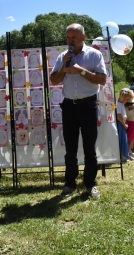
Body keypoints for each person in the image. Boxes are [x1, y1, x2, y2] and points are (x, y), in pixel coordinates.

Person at [50, 23, 106, 198]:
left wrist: (81, 71)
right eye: (68, 37)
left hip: (88, 106)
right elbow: (53, 80)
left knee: (89, 148)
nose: (70, 40)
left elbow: (102, 79)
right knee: (70, 149)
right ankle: (69, 184)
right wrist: (63, 68)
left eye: (73, 37)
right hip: (69, 107)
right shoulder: (63, 56)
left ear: (83, 37)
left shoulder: (95, 54)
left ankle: (90, 184)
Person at [116, 89, 134, 162]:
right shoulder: (117, 104)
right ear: (122, 96)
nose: (127, 101)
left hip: (123, 123)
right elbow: (119, 116)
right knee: (122, 139)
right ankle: (123, 155)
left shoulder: (121, 104)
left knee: (125, 139)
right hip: (120, 124)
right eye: (127, 99)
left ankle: (126, 154)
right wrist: (124, 124)